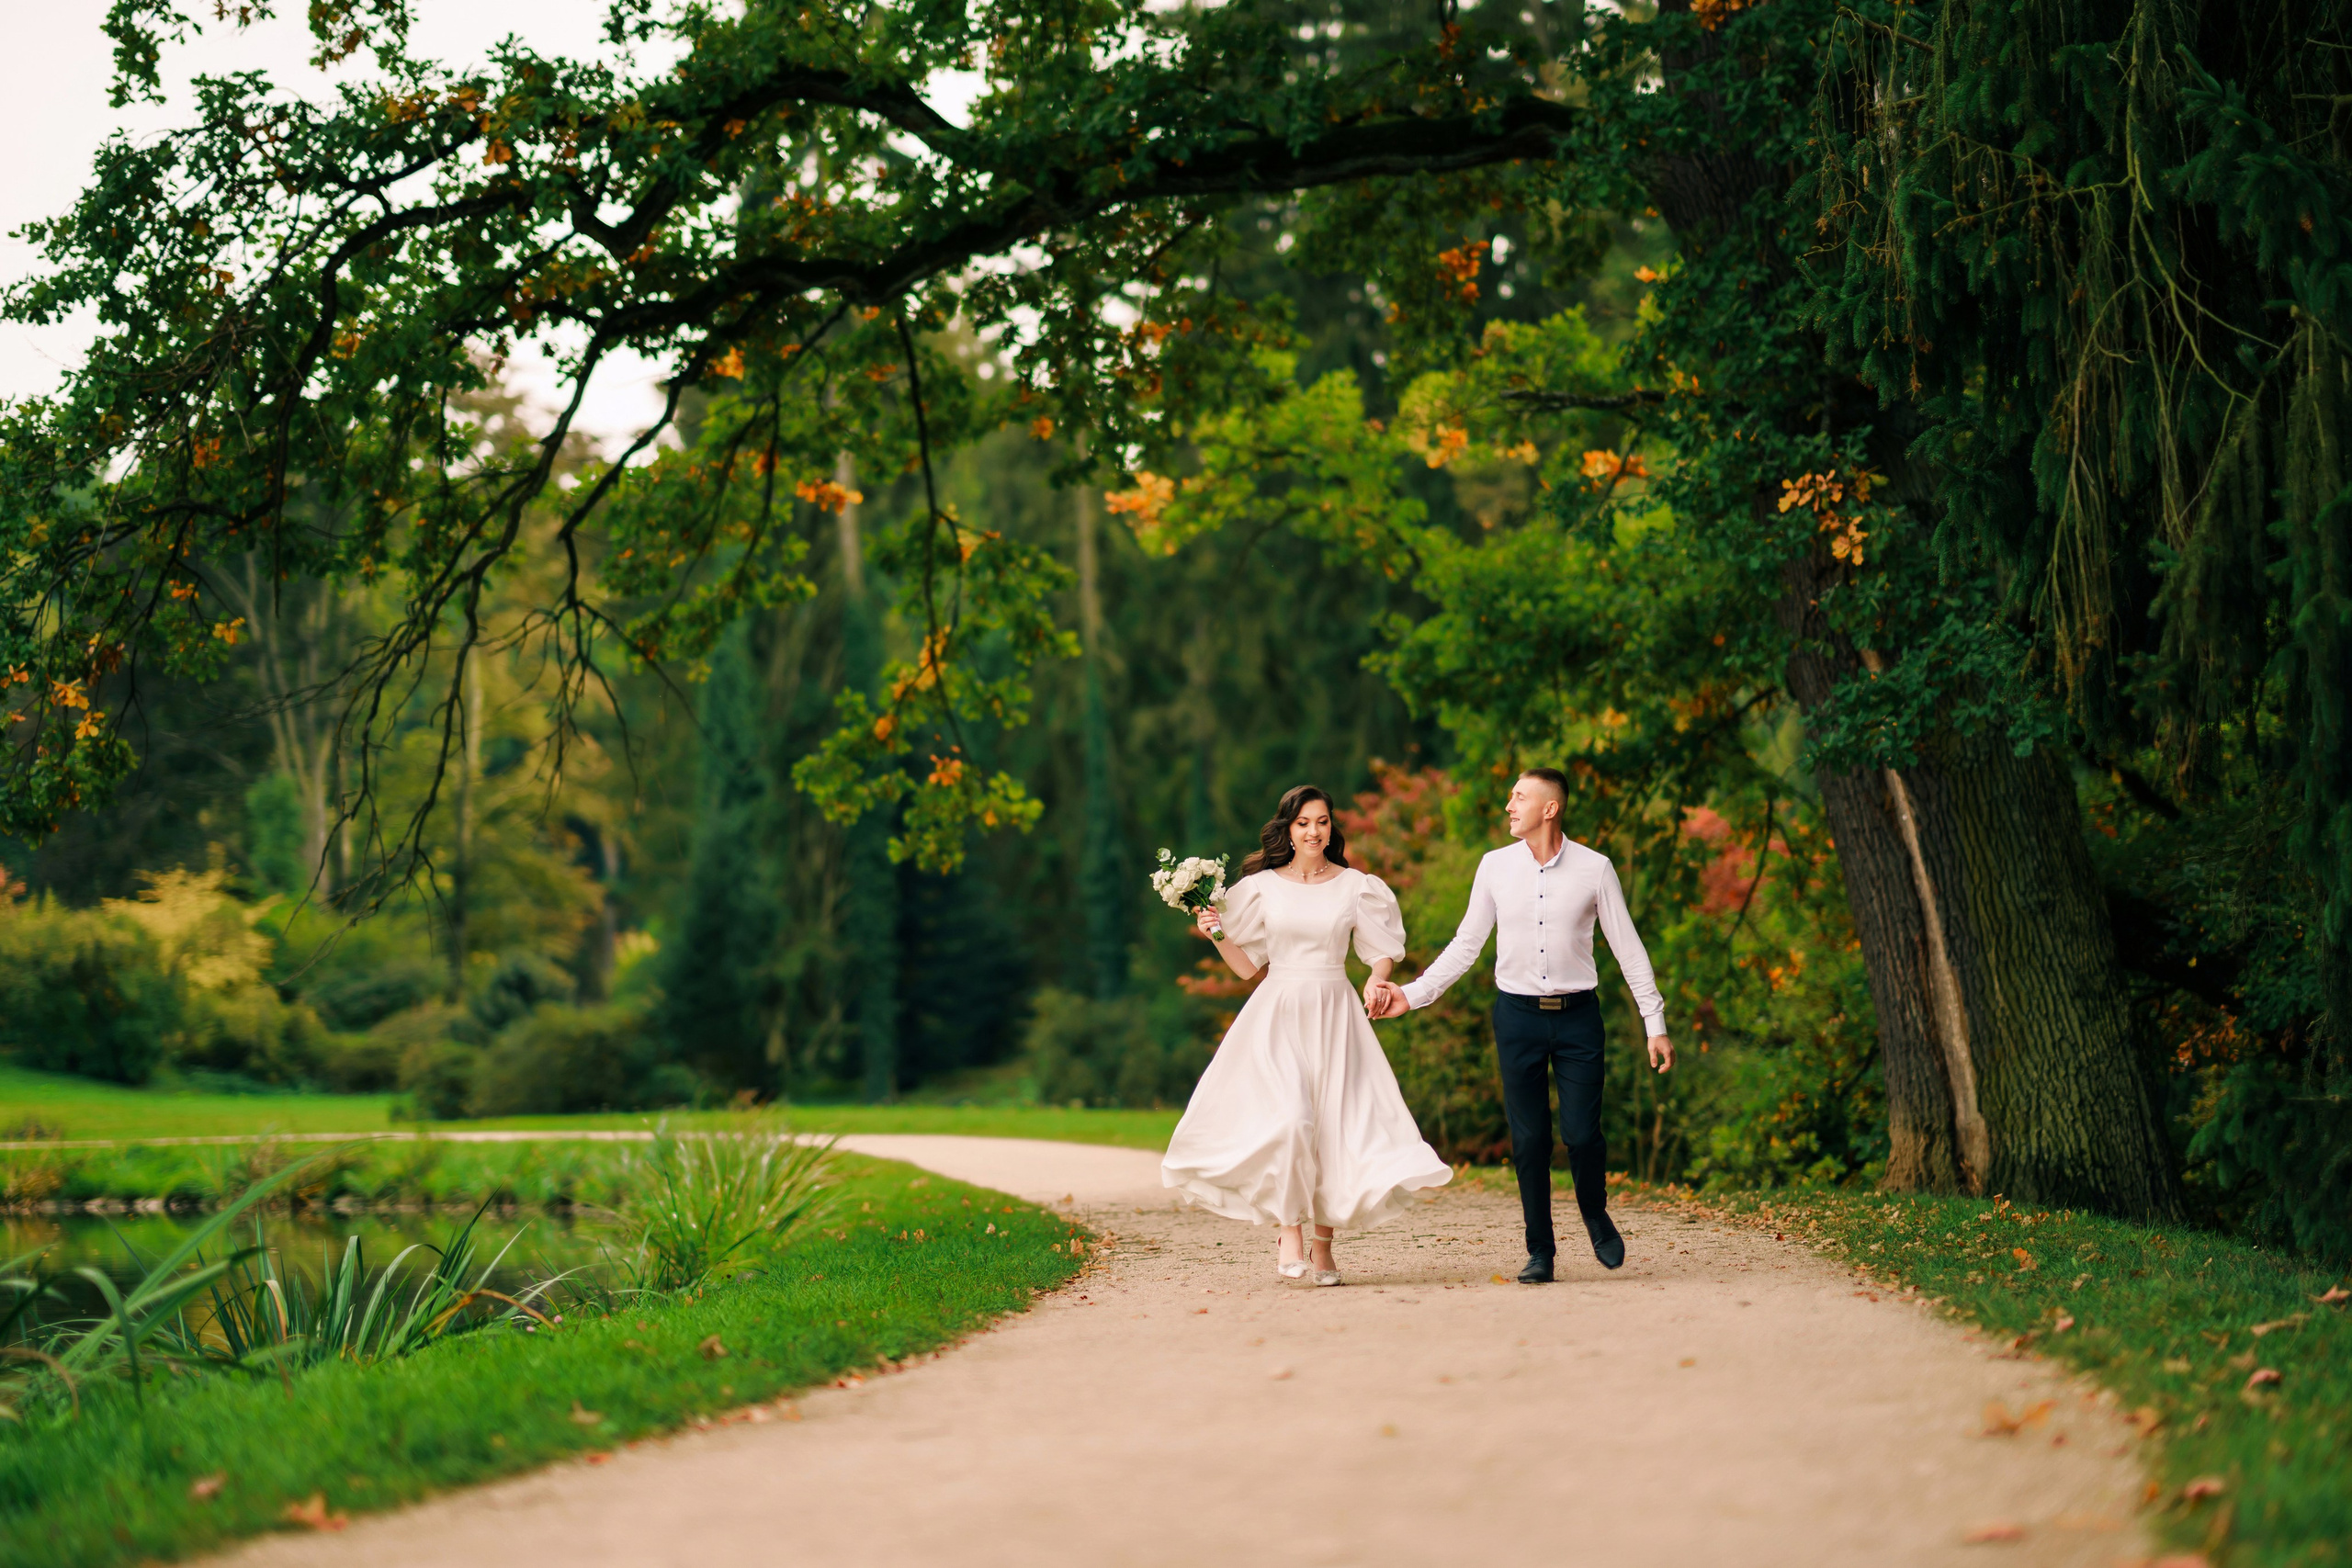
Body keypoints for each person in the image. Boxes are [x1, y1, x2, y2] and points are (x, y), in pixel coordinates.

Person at [1367, 768, 1674, 1283]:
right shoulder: (1494, 867)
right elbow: (1466, 946)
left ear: (1550, 809)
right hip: (1517, 1019)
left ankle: (1594, 1212)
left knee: (1580, 1136)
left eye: (1519, 796)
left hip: (1579, 1018)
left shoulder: (1595, 869)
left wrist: (1655, 1022)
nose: (1509, 805)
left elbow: (1628, 947)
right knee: (1528, 1140)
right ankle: (1541, 1252)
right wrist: (1412, 996)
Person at [1160, 784, 1452, 1285]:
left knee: (1332, 1129)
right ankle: (1288, 1230)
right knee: (1294, 1121)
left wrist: (1378, 977)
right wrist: (1217, 932)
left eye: (1321, 821)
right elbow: (1245, 968)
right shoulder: (1260, 888)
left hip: (1336, 1011)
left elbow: (1380, 948)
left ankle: (1323, 1247)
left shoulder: (1357, 886)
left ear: (1331, 826)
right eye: (1303, 823)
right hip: (1278, 1012)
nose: (1314, 830)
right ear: (1288, 831)